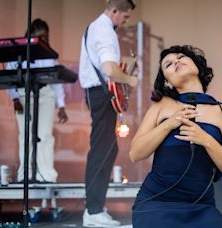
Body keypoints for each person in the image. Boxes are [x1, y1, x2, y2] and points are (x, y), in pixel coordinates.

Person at [129, 45, 222, 227]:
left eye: (181, 57)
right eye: (168, 64)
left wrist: (205, 140)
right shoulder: (161, 106)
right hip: (156, 203)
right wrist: (170, 124)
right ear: (167, 82)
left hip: (201, 206)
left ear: (197, 67)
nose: (176, 62)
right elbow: (135, 154)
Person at [78, 0, 138, 227]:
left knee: (107, 148)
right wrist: (131, 79)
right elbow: (109, 69)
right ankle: (93, 211)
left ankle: (95, 208)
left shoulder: (98, 28)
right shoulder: (103, 30)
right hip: (100, 96)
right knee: (102, 149)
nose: (126, 20)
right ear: (114, 10)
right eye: (125, 16)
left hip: (99, 95)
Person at [7, 18, 68, 183]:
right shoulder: (18, 52)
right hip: (23, 95)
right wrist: (14, 99)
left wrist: (61, 106)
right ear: (31, 34)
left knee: (45, 135)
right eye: (40, 36)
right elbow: (9, 77)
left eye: (46, 36)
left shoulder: (50, 54)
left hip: (46, 95)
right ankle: (25, 175)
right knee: (25, 135)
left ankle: (46, 175)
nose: (44, 40)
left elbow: (57, 82)